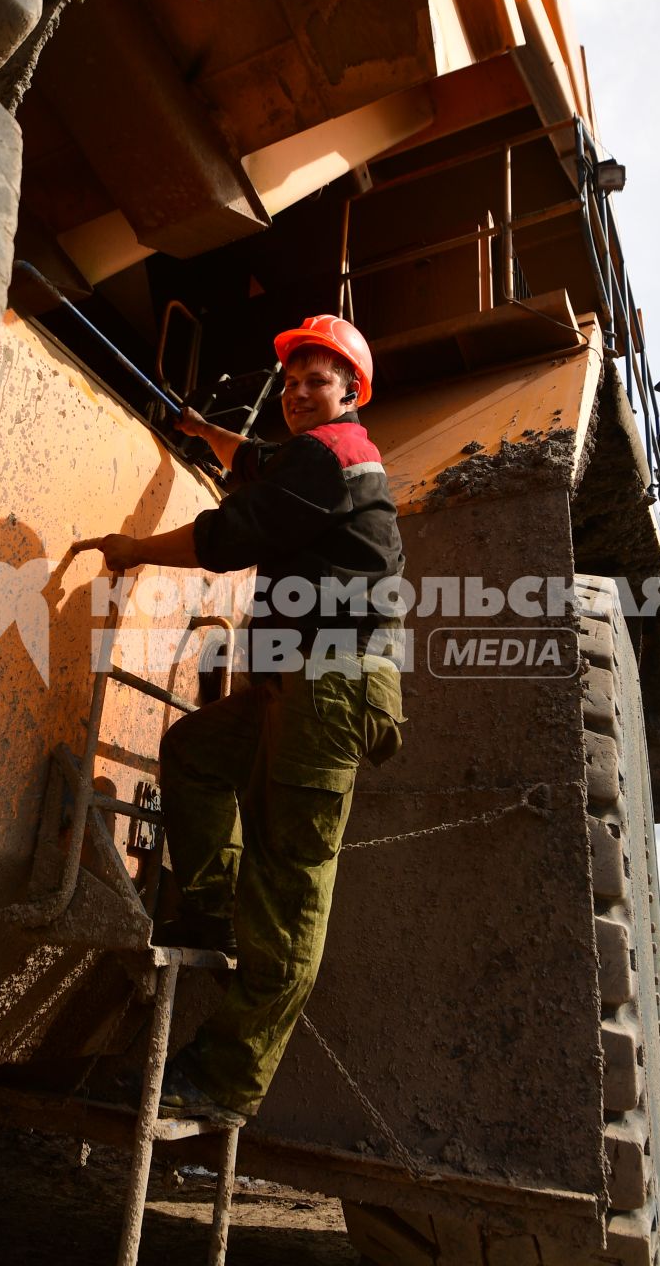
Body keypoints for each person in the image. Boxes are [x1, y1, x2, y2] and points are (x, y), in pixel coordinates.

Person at [78, 314, 406, 1125]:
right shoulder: (312, 457)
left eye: (317, 381)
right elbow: (254, 464)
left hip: (332, 686)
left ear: (352, 393)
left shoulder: (337, 454)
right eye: (290, 382)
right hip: (295, 682)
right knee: (193, 751)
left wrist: (132, 549)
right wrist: (201, 433)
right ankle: (215, 908)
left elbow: (231, 534)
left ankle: (224, 1080)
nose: (297, 393)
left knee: (291, 891)